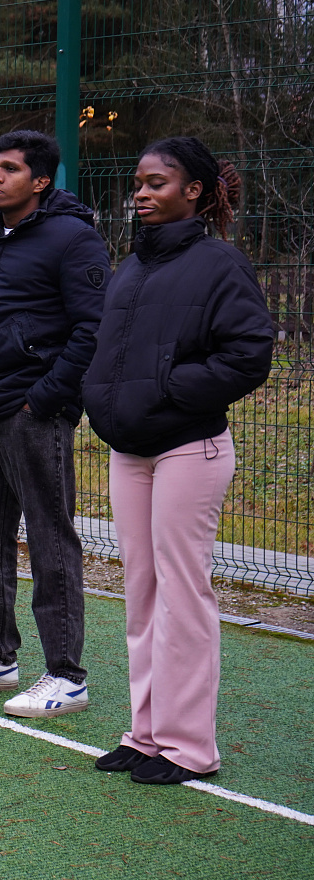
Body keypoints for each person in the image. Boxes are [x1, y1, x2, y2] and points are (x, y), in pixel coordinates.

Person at [83, 138, 272, 784]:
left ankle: (189, 746)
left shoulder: (220, 263)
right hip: (130, 451)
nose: (141, 193)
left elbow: (249, 354)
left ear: (193, 191)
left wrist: (168, 389)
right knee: (141, 593)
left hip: (190, 447)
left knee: (182, 595)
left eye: (156, 183)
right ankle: (146, 735)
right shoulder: (133, 265)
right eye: (138, 182)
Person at [0, 130, 111, 718]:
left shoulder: (74, 238)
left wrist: (44, 397)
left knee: (50, 539)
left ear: (40, 180)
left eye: (8, 168)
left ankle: (66, 675)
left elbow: (91, 329)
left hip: (33, 413)